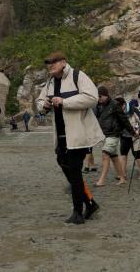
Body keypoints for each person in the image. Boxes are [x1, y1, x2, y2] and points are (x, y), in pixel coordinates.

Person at [35, 51, 104, 224]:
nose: (50, 65)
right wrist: (43, 105)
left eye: (54, 62)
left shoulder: (77, 75)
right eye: (48, 63)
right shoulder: (50, 82)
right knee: (68, 169)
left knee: (74, 171)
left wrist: (65, 102)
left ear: (64, 62)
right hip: (61, 136)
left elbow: (92, 98)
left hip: (78, 134)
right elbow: (39, 102)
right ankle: (89, 203)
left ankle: (77, 213)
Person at [95, 89, 135, 187]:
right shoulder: (99, 105)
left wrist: (132, 132)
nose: (98, 98)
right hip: (105, 134)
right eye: (97, 96)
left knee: (105, 154)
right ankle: (122, 178)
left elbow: (124, 120)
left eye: (100, 96)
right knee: (114, 157)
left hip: (114, 134)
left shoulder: (115, 104)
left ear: (106, 95)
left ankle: (102, 180)